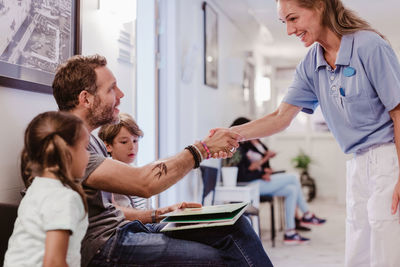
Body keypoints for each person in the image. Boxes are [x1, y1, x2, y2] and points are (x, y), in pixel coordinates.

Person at [211, 1, 400, 266]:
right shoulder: (312, 63)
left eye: (293, 18)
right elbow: (281, 117)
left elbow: (398, 112)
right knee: (358, 250)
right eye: (284, 22)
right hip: (357, 163)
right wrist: (231, 133)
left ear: (320, 6)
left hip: (388, 159)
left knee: (387, 249)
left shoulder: (369, 46)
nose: (289, 30)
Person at [52, 54, 272, 267]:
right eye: (111, 88)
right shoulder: (65, 144)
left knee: (236, 226)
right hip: (102, 247)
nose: (121, 94)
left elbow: (108, 206)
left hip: (124, 231)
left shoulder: (91, 141)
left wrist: (157, 214)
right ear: (86, 98)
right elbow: (143, 183)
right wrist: (202, 149)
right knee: (219, 257)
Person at [4, 111, 90, 267]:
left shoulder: (36, 186)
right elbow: (54, 262)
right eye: (85, 147)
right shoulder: (63, 198)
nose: (89, 155)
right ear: (67, 151)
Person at [232, 117, 325, 245]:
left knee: (291, 190)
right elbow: (244, 173)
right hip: (251, 185)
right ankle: (307, 214)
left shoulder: (245, 146)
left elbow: (252, 169)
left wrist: (263, 172)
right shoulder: (237, 149)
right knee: (293, 177)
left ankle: (290, 233)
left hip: (257, 181)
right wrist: (261, 172)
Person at [98, 112, 202, 223]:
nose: (132, 147)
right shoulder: (110, 175)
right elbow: (125, 218)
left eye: (135, 141)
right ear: (108, 146)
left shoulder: (139, 172)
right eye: (124, 142)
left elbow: (149, 211)